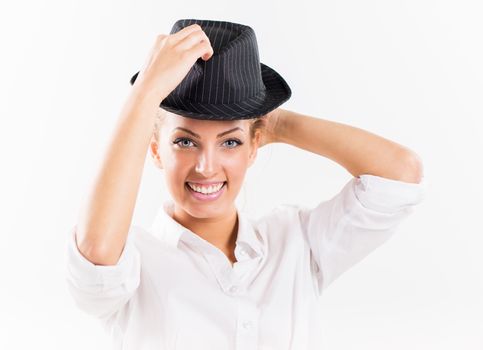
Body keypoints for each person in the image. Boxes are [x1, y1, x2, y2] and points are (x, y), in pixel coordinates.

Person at [65, 19, 425, 350]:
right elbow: (95, 255)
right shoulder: (135, 261)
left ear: (255, 147)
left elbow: (400, 174)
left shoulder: (296, 241)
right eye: (185, 142)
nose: (207, 167)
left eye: (230, 142)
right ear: (157, 151)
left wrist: (277, 124)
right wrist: (146, 93)